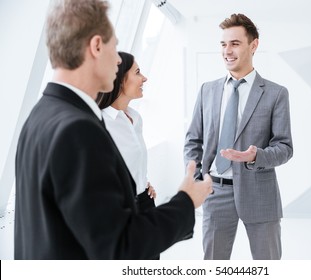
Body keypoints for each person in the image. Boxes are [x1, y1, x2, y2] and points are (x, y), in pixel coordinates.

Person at [14, 0, 212, 260]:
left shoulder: (40, 115)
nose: (118, 59)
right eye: (115, 47)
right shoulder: (78, 131)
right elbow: (120, 247)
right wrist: (186, 201)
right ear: (96, 46)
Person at [184, 13, 293, 260]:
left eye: (235, 43)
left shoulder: (276, 94)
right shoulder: (207, 90)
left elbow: (285, 147)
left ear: (254, 45)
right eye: (223, 44)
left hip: (260, 194)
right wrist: (200, 176)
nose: (227, 51)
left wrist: (256, 156)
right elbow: (193, 140)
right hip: (216, 192)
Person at [96, 52, 157, 208]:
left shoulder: (135, 118)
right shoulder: (100, 123)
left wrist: (142, 185)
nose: (144, 78)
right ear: (121, 80)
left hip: (145, 202)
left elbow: (133, 163)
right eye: (137, 73)